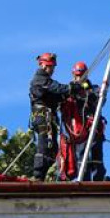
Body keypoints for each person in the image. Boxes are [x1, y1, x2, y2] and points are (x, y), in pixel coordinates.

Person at [59, 62, 107, 181]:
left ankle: (99, 181)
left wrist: (86, 90)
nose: (79, 78)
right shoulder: (69, 91)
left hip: (93, 129)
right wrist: (72, 91)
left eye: (81, 75)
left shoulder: (93, 89)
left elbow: (100, 100)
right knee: (81, 157)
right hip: (78, 131)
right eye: (77, 75)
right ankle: (84, 181)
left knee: (96, 157)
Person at [29, 52, 74, 180]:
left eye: (53, 67)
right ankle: (38, 176)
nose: (53, 70)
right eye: (51, 67)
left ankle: (42, 174)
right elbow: (56, 88)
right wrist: (70, 88)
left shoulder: (46, 81)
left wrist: (67, 94)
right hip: (43, 117)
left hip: (48, 118)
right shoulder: (40, 79)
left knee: (53, 148)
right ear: (43, 65)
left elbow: (56, 94)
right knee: (44, 145)